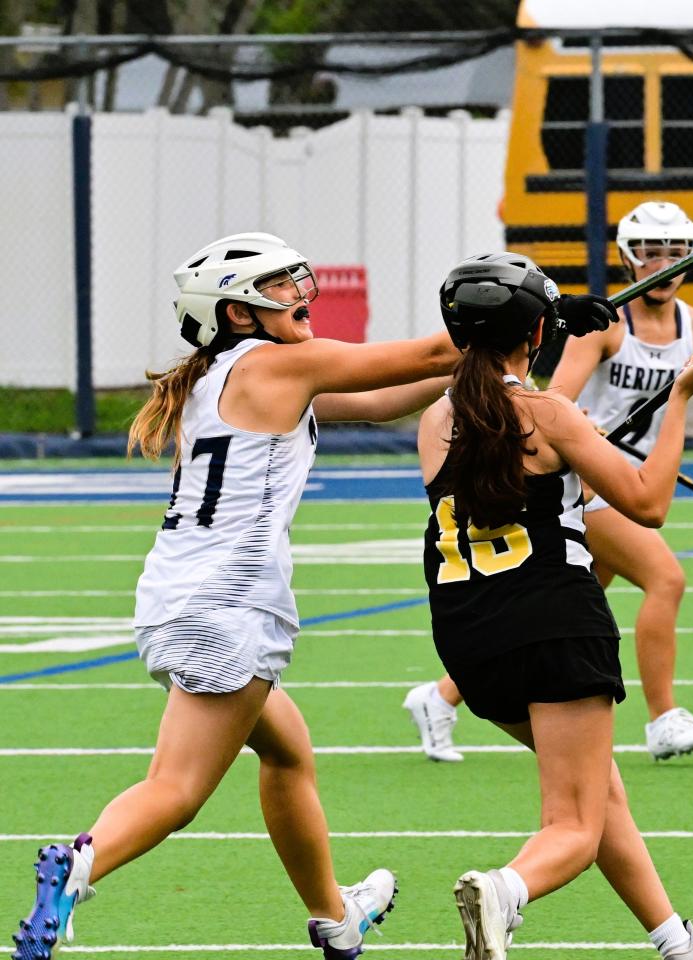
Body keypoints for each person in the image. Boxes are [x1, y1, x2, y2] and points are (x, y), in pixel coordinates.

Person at [10, 232, 461, 960]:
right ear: (239, 312)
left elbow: (386, 398)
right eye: (280, 286)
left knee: (287, 752)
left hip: (179, 604)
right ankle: (78, 866)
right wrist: (524, 314)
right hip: (227, 606)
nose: (298, 293)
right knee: (178, 790)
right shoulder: (277, 364)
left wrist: (500, 355)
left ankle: (334, 919)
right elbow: (432, 354)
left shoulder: (230, 378)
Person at [418, 252, 693, 960]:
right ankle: (505, 890)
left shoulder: (436, 419)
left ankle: (679, 942)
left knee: (602, 794)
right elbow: (648, 504)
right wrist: (680, 399)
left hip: (469, 640)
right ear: (536, 335)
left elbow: (516, 434)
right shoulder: (550, 414)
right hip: (554, 625)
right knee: (573, 823)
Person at [404, 201, 693, 762]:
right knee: (667, 579)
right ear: (627, 257)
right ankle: (663, 717)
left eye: (673, 252)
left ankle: (441, 696)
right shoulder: (606, 327)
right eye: (648, 252)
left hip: (611, 468)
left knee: (591, 583)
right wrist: (581, 444)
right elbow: (553, 401)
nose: (660, 263)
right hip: (584, 477)